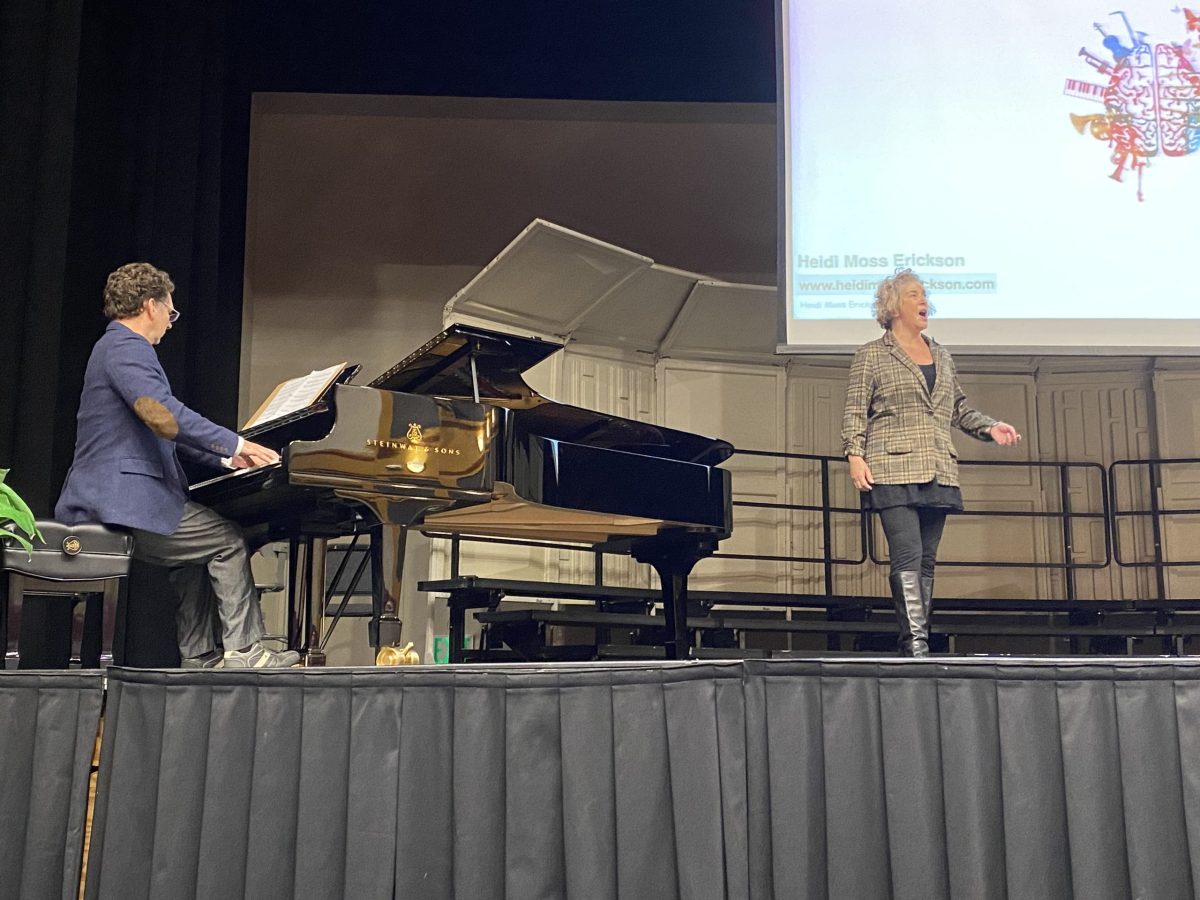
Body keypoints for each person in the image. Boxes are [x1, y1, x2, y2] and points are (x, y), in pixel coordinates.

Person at [55, 262, 299, 668]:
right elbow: (162, 413)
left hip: (113, 496)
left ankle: (201, 655)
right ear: (150, 306)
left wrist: (226, 457)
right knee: (227, 540)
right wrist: (238, 441)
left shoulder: (115, 348)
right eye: (170, 313)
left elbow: (161, 429)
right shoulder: (125, 347)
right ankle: (246, 652)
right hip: (117, 501)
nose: (171, 323)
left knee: (195, 552)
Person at [841, 270, 1021, 657]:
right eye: (913, 294)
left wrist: (991, 428)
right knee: (907, 555)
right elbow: (855, 410)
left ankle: (919, 639)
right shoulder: (872, 354)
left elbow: (958, 408)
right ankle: (917, 644)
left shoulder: (940, 354)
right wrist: (855, 454)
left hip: (937, 466)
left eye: (924, 295)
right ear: (893, 305)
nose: (923, 301)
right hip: (891, 467)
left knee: (926, 562)